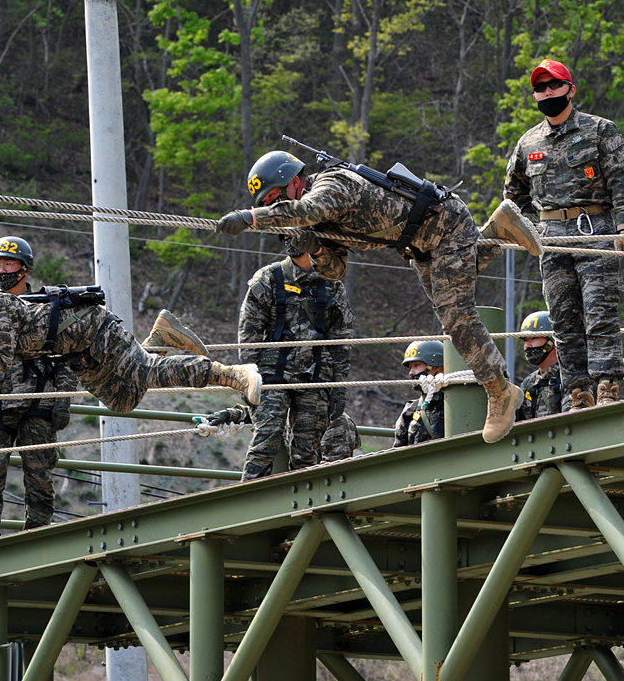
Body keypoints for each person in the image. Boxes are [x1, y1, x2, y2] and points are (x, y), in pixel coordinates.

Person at [218, 149, 540, 443]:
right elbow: (335, 270)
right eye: (267, 205)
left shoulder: (331, 186)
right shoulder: (316, 221)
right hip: (419, 246)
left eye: (276, 198)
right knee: (451, 291)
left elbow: (305, 209)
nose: (275, 208)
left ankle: (500, 390)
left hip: (444, 226)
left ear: (295, 181)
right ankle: (497, 230)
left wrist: (251, 218)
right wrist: (314, 248)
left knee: (456, 316)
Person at [0, 261, 260, 415]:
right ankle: (159, 337)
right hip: (73, 352)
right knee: (123, 401)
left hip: (90, 328)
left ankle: (233, 374)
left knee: (145, 373)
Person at [503, 58, 624, 411]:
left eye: (554, 85)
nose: (547, 92)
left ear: (571, 89)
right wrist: (527, 231)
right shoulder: (528, 142)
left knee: (599, 312)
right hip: (550, 237)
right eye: (540, 87)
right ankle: (577, 390)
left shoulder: (599, 131)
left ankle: (608, 383)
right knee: (563, 318)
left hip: (594, 228)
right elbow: (513, 196)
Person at [0, 236, 78, 540]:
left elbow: (67, 356)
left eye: (8, 263)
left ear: (24, 268)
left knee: (40, 477)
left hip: (37, 402)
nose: (1, 270)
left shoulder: (48, 308)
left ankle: (38, 538)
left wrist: (62, 399)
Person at [231, 243, 353, 481]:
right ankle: (247, 503)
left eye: (297, 236)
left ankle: (301, 511)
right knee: (266, 440)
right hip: (272, 374)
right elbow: (249, 333)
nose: (291, 241)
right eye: (287, 235)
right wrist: (247, 378)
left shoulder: (331, 283)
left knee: (307, 451)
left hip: (316, 376)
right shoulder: (269, 277)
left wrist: (339, 386)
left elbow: (341, 338)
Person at [393, 340, 445, 447]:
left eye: (417, 365)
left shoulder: (456, 403)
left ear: (436, 367)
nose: (411, 372)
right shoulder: (411, 409)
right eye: (411, 367)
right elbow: (398, 449)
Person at [516, 311, 563, 417]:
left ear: (552, 340)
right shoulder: (528, 384)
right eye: (525, 340)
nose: (527, 346)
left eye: (533, 338)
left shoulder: (572, 376)